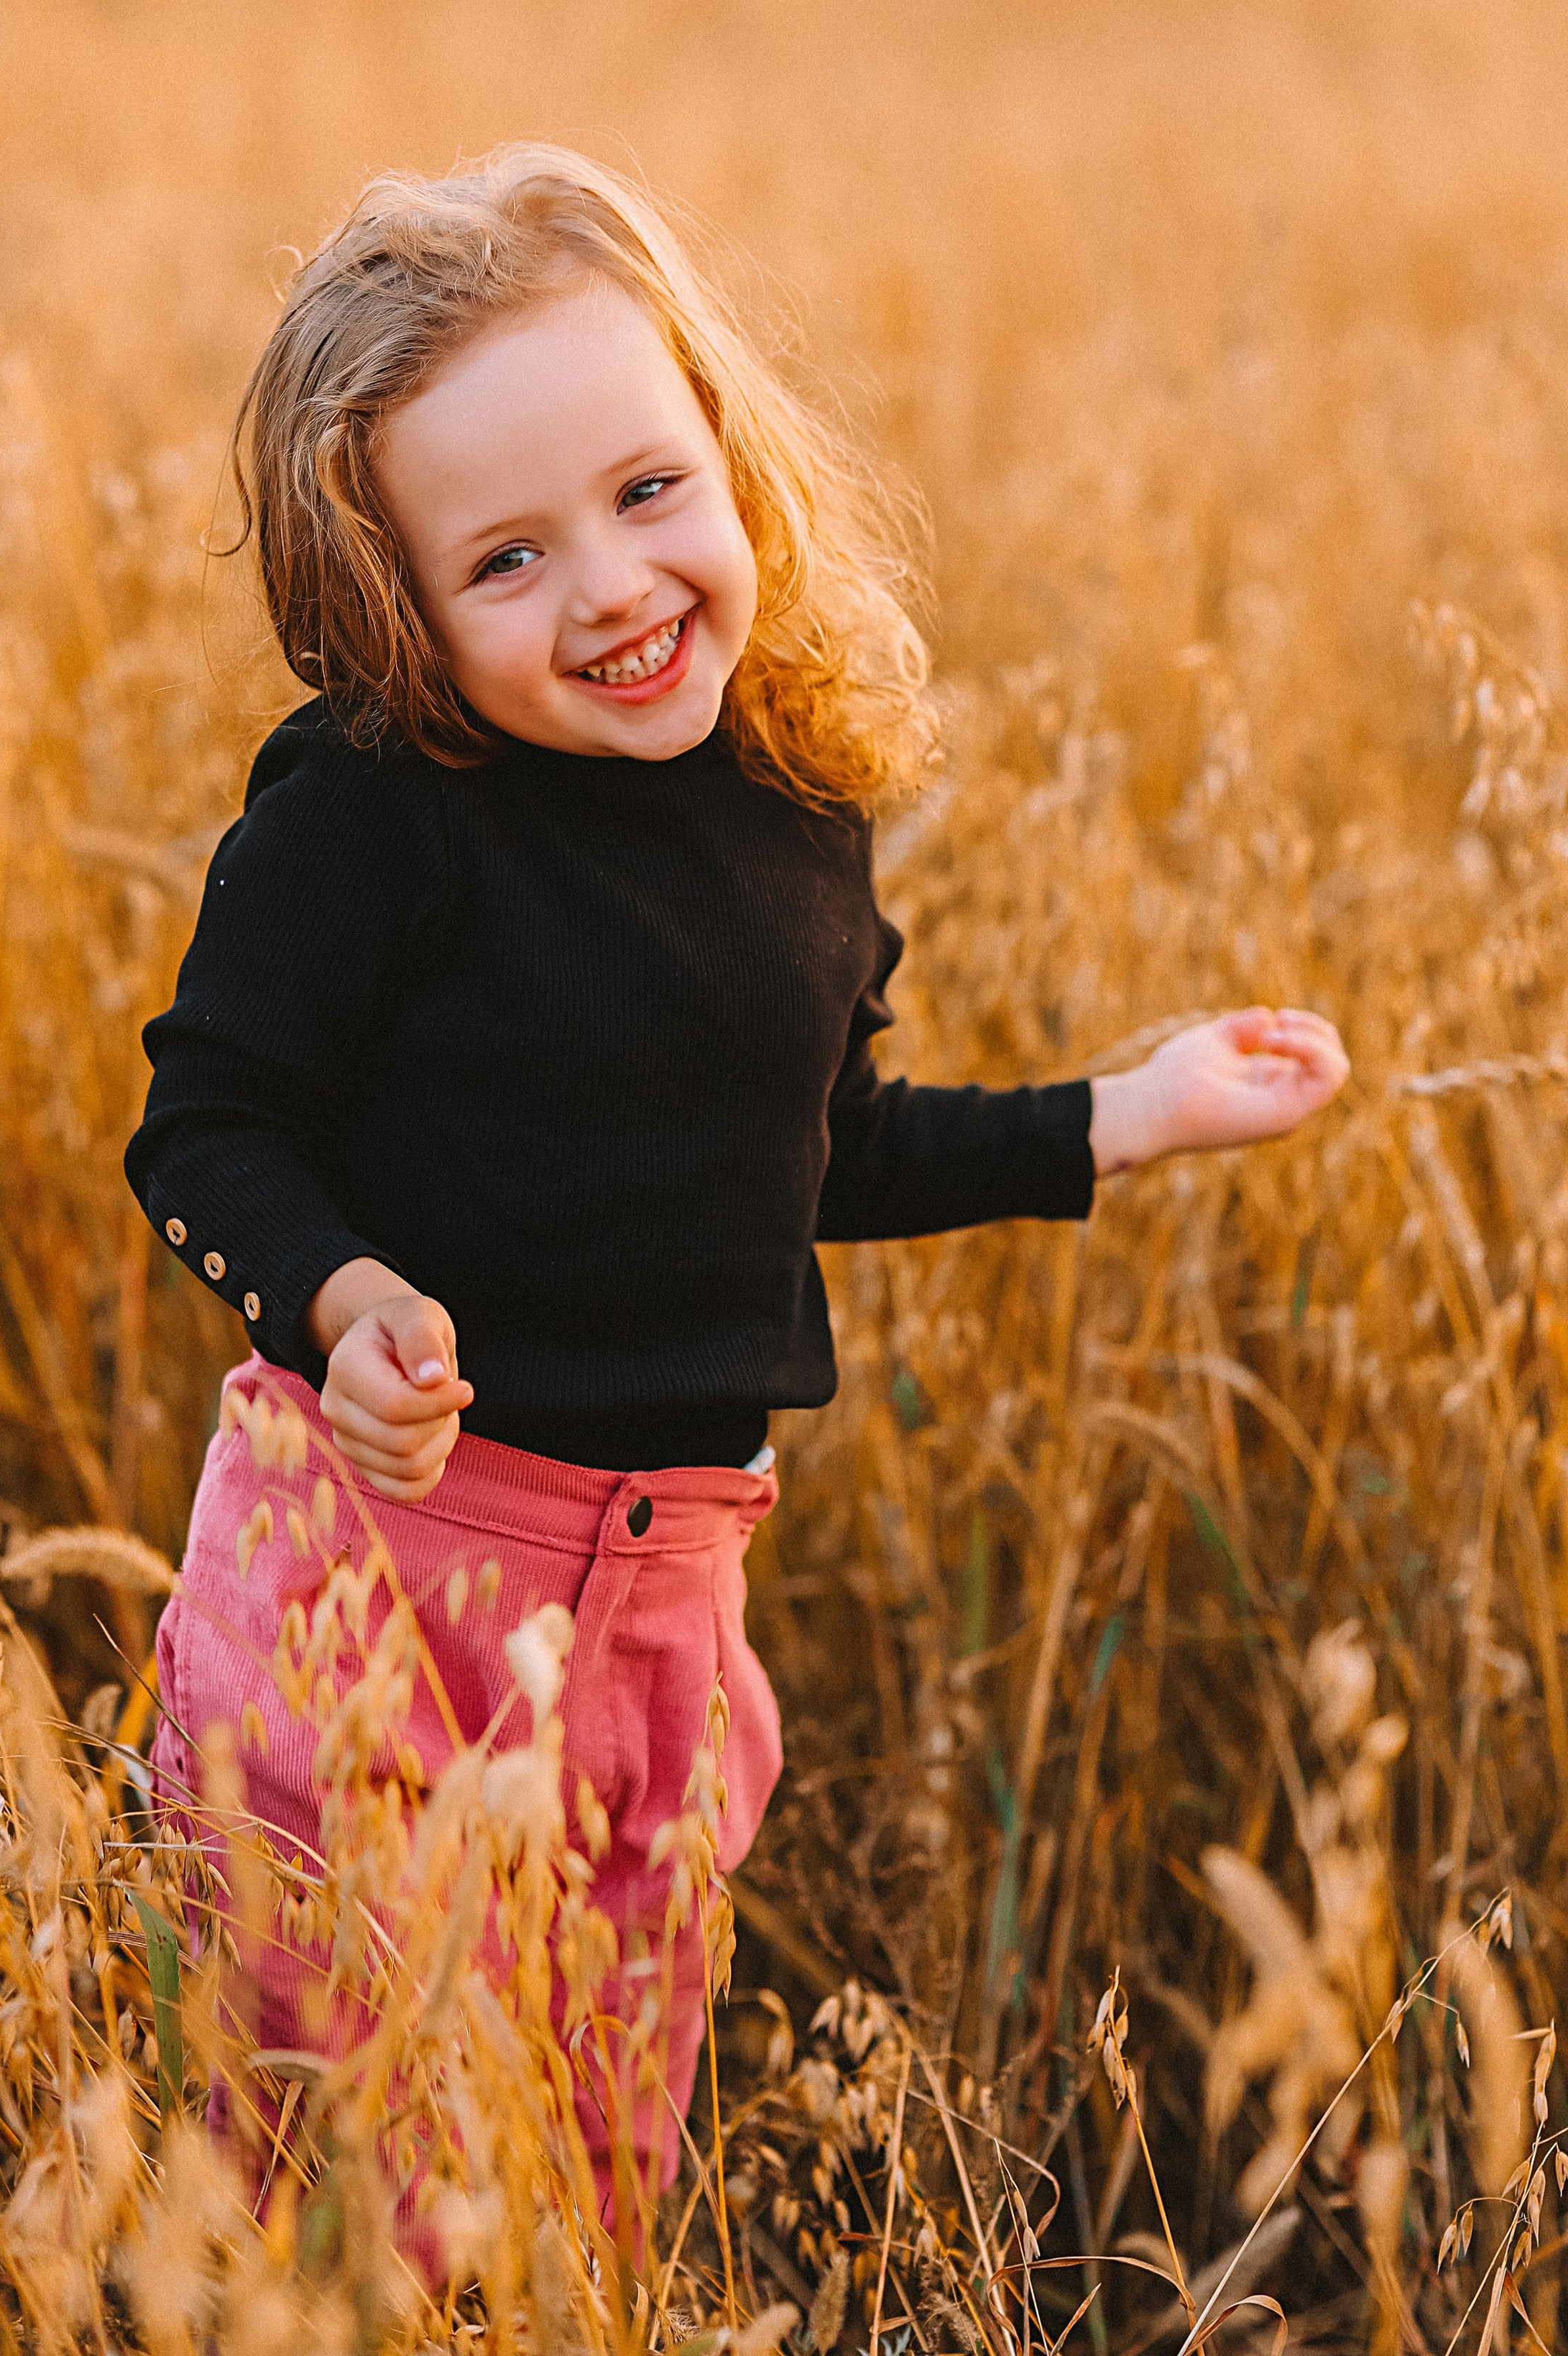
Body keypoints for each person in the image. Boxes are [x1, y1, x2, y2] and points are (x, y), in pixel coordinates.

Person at [128, 142, 1347, 2217]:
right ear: (396, 609)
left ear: (728, 448)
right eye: (505, 561)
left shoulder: (795, 809)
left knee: (592, 2180)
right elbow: (206, 1123)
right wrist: (342, 1306)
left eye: (646, 490)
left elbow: (814, 1153)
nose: (610, 587)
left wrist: (1123, 1112)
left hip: (671, 1606)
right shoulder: (370, 814)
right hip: (380, 1576)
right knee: (343, 2192)